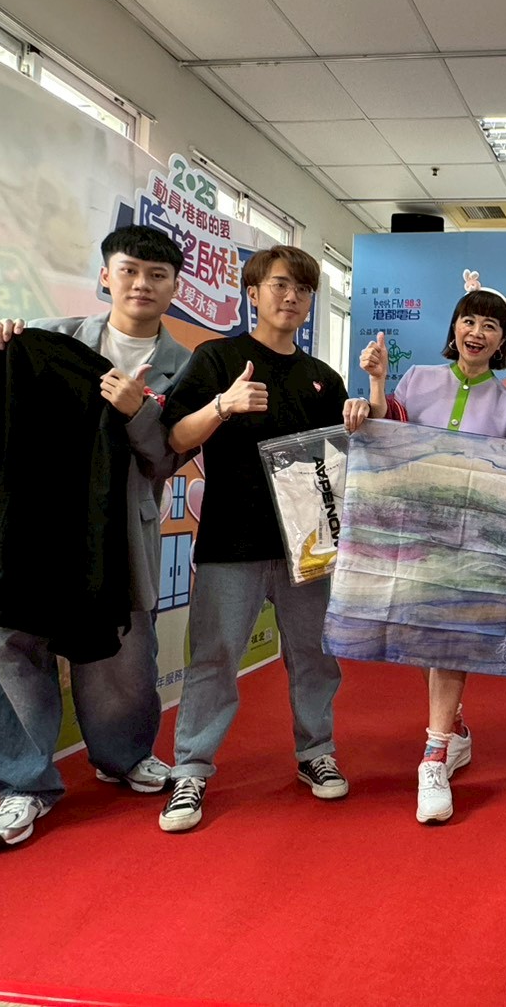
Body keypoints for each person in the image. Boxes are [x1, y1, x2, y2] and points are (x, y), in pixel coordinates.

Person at [0, 224, 193, 850]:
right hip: (34, 525)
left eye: (157, 275)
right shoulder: (47, 339)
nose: (141, 284)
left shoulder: (186, 367)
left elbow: (167, 458)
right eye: (129, 271)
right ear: (105, 277)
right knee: (13, 640)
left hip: (119, 530)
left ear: (174, 287)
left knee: (121, 649)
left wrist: (138, 411)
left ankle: (124, 757)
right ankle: (21, 783)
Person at [157, 245, 349, 833]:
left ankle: (316, 751)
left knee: (314, 655)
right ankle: (190, 769)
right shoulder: (218, 358)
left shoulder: (324, 378)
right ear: (253, 292)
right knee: (214, 658)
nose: (292, 297)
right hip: (232, 540)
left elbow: (341, 462)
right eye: (281, 285)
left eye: (303, 289)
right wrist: (224, 405)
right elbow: (176, 437)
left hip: (308, 545)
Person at [343, 272, 506, 823]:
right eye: (469, 320)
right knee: (424, 635)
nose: (477, 332)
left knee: (449, 638)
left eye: (489, 325)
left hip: (470, 539)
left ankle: (435, 753)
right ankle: (456, 728)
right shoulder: (419, 377)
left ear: (502, 341)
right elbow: (388, 427)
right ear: (454, 328)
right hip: (411, 530)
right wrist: (372, 392)